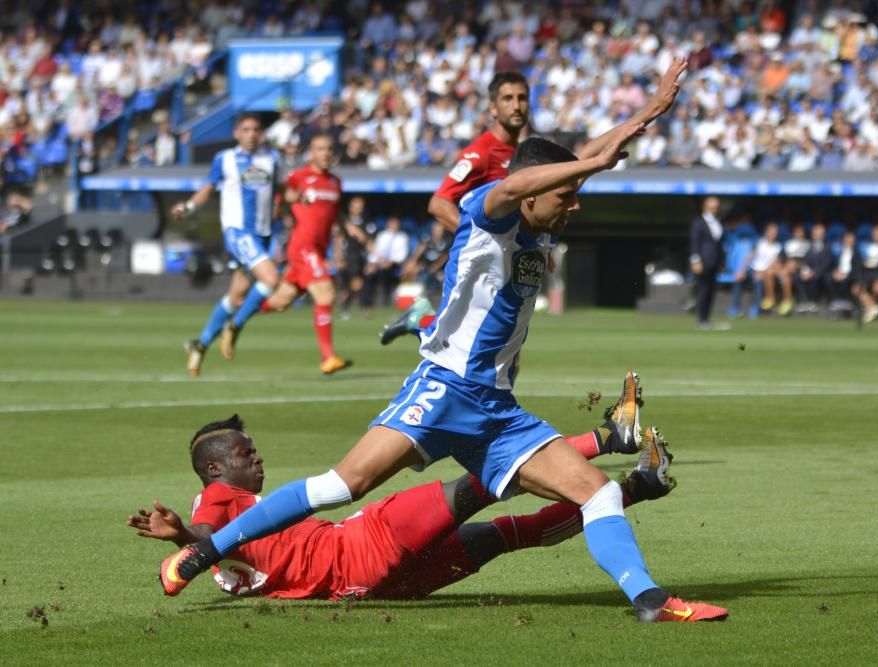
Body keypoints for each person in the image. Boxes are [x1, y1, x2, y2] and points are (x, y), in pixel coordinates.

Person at [159, 60, 729, 623]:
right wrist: (595, 160)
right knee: (343, 484)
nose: (573, 204)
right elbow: (517, 182)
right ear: (531, 194)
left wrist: (646, 115)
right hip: (446, 388)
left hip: (497, 409)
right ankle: (200, 555)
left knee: (599, 495)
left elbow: (568, 167)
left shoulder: (539, 217)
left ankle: (651, 602)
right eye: (565, 195)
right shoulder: (489, 214)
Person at [134, 409, 682, 604]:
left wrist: (192, 543)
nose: (256, 460)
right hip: (358, 545)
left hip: (370, 587)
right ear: (214, 468)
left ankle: (638, 486)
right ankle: (611, 440)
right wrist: (188, 539)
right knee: (483, 483)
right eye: (243, 453)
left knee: (507, 533)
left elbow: (225, 552)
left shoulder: (233, 531)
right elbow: (208, 529)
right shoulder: (219, 496)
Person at [379, 71, 530, 345]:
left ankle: (421, 320)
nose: (517, 105)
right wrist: (484, 239)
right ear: (493, 107)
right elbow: (438, 203)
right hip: (483, 263)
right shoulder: (482, 152)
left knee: (499, 349)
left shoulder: (518, 153)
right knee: (491, 349)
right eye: (508, 99)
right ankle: (422, 322)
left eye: (522, 98)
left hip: (505, 260)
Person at [218, 134, 351, 375]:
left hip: (318, 249)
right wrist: (275, 215)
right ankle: (328, 357)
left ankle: (237, 320)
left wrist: (345, 230)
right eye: (320, 148)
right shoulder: (298, 177)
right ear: (310, 152)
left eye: (329, 148)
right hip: (303, 248)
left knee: (280, 302)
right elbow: (276, 198)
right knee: (326, 294)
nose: (325, 153)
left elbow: (333, 213)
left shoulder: (335, 182)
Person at [176, 114, 283, 378]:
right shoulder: (224, 159)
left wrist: (295, 199)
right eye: (245, 129)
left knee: (236, 296)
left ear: (261, 133)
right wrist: (188, 206)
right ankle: (234, 326)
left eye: (255, 129)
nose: (251, 134)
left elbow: (282, 191)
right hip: (238, 232)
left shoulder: (273, 160)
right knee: (271, 279)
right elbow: (208, 188)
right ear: (236, 132)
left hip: (263, 234)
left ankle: (199, 345)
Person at [689, 196, 728, 330]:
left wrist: (722, 262)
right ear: (705, 207)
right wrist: (695, 260)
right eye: (712, 207)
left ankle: (706, 319)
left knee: (711, 291)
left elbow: (719, 244)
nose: (715, 209)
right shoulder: (699, 222)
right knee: (703, 290)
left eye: (716, 207)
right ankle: (701, 319)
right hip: (703, 261)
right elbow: (695, 242)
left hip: (714, 262)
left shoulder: (718, 222)